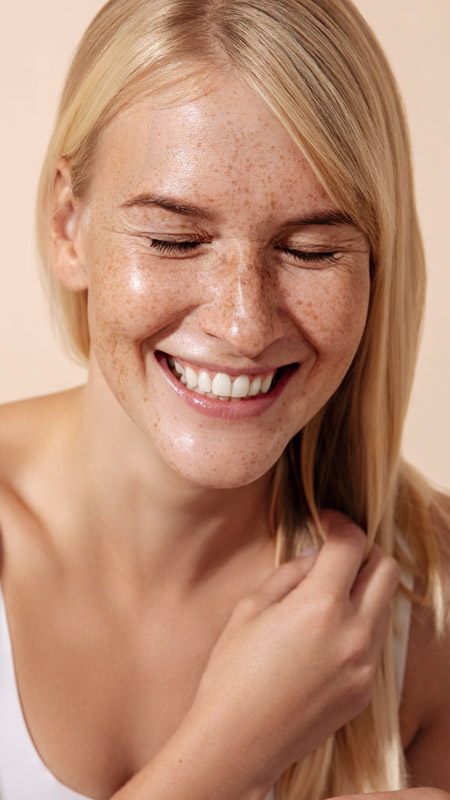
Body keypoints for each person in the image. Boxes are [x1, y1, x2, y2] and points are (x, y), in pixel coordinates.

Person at [0, 0, 449, 798]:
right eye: (174, 239)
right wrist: (227, 750)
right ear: (68, 225)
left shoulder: (433, 610)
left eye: (311, 250)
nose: (244, 324)